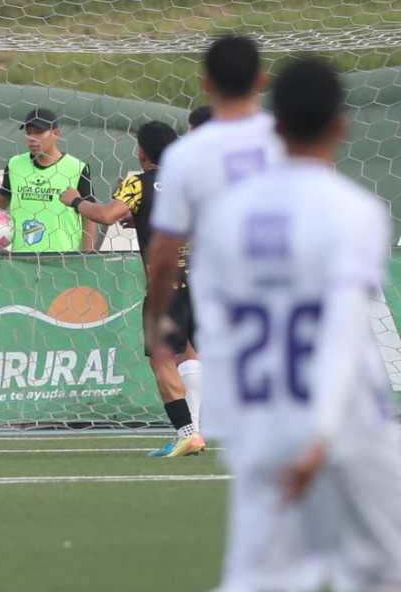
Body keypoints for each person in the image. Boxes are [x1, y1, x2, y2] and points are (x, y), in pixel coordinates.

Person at [194, 57, 401, 591]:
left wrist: (235, 425)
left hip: (264, 421)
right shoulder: (354, 211)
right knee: (383, 571)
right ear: (342, 124)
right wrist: (323, 431)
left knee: (259, 579)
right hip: (347, 425)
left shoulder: (225, 216)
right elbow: (338, 328)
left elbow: (218, 332)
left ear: (274, 123)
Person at [60, 121, 203, 457]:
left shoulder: (137, 183)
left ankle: (187, 432)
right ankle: (198, 428)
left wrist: (76, 201)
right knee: (192, 354)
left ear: (141, 154)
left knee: (162, 360)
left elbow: (107, 215)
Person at [144, 34, 283, 359]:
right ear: (261, 80)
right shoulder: (287, 141)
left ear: (206, 84)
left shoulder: (183, 155)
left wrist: (158, 307)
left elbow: (166, 247)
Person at [0, 108, 96, 253]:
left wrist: (87, 257)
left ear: (56, 133)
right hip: (22, 261)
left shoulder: (77, 168)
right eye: (29, 133)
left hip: (63, 261)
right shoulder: (15, 165)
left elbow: (89, 218)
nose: (32, 138)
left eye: (39, 132)